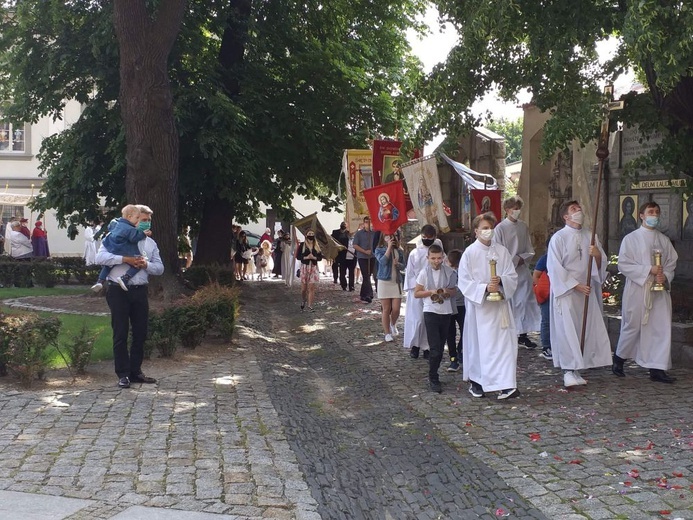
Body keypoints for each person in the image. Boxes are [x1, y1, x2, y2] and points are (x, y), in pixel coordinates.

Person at [95, 204, 164, 389]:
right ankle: (123, 374)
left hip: (140, 290)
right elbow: (99, 258)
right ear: (133, 219)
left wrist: (145, 265)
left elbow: (160, 268)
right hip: (118, 290)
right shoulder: (114, 236)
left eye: (149, 220)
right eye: (143, 220)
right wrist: (125, 260)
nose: (146, 223)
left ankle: (136, 372)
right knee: (120, 333)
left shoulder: (150, 243)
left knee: (140, 333)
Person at [548, 200, 612, 388]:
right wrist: (576, 285)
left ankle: (577, 368)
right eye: (574, 209)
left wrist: (598, 255)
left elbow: (600, 265)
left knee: (583, 329)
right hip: (567, 292)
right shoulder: (558, 238)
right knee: (567, 330)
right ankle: (568, 370)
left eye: (579, 208)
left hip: (587, 290)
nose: (579, 211)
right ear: (566, 217)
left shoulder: (590, 236)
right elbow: (555, 267)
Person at [613, 202, 678, 383]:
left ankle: (657, 368)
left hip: (659, 291)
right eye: (651, 212)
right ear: (641, 215)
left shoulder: (663, 240)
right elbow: (623, 264)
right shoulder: (631, 239)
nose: (654, 215)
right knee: (632, 326)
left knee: (660, 328)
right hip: (638, 289)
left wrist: (664, 276)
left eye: (657, 212)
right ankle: (619, 359)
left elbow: (672, 262)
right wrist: (649, 270)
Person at [458, 213, 520, 400]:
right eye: (484, 228)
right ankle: (477, 382)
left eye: (490, 228)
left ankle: (506, 384)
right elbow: (464, 281)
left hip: (500, 308)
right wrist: (485, 287)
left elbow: (512, 275)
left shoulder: (501, 251)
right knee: (480, 345)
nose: (488, 231)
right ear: (476, 231)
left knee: (504, 346)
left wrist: (501, 281)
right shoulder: (469, 253)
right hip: (481, 309)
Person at [493, 196, 541, 350]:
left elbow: (529, 247)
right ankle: (509, 334)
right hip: (507, 271)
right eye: (513, 208)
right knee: (511, 302)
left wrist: (523, 258)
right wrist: (512, 261)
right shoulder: (500, 228)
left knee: (524, 301)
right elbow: (498, 251)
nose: (516, 211)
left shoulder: (523, 226)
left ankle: (523, 334)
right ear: (507, 210)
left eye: (518, 208)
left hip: (522, 269)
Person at [414, 244, 457, 393]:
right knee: (435, 348)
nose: (436, 261)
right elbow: (416, 293)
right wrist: (430, 292)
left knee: (440, 345)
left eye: (439, 258)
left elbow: (454, 291)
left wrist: (446, 291)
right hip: (430, 311)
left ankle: (435, 371)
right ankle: (433, 377)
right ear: (428, 258)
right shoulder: (423, 273)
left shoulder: (450, 272)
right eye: (433, 258)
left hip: (445, 312)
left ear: (443, 257)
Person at [404, 224, 443, 359]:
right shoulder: (415, 253)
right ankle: (415, 346)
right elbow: (410, 273)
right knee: (418, 319)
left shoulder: (438, 249)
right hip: (418, 290)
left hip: (433, 290)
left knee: (430, 320)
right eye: (424, 237)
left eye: (430, 238)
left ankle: (427, 347)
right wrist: (417, 288)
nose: (427, 239)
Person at [91, 205, 150, 293]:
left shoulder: (115, 223)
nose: (138, 220)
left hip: (111, 247)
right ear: (129, 217)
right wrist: (143, 234)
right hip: (123, 249)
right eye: (137, 218)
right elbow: (134, 238)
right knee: (138, 263)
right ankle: (125, 278)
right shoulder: (130, 228)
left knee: (108, 265)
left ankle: (100, 281)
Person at [374, 232, 404, 343]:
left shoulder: (399, 250)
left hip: (396, 282)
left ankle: (393, 323)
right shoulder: (379, 249)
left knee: (396, 309)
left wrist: (398, 264)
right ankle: (387, 333)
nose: (391, 237)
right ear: (383, 237)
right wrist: (388, 248)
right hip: (384, 281)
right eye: (388, 235)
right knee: (386, 309)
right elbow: (382, 262)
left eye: (394, 235)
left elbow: (403, 265)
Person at [531, 238, 553, 360]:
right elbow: (536, 276)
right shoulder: (545, 259)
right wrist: (542, 289)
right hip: (547, 294)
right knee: (547, 320)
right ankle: (546, 346)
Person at [445, 249, 465, 372]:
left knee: (465, 330)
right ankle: (453, 358)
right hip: (449, 305)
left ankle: (460, 350)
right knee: (450, 332)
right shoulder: (445, 271)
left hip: (462, 304)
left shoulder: (464, 272)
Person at [296, 230, 322, 311]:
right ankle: (303, 299)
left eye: (312, 234)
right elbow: (298, 256)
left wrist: (314, 258)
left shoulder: (316, 246)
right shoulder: (302, 245)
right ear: (306, 235)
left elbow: (320, 257)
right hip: (305, 267)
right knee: (304, 289)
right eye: (309, 234)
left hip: (313, 267)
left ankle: (310, 305)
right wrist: (306, 257)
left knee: (311, 288)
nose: (311, 235)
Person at [352, 216, 376, 303]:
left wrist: (372, 251)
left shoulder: (374, 233)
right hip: (362, 257)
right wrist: (364, 251)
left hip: (372, 257)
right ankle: (369, 294)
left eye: (369, 221)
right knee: (365, 274)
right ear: (363, 223)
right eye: (366, 222)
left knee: (368, 275)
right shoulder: (359, 234)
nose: (368, 223)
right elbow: (355, 245)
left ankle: (363, 294)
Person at [331, 222, 349, 286]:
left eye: (345, 225)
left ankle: (342, 280)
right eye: (343, 224)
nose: (343, 226)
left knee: (343, 267)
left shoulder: (348, 233)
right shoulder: (335, 232)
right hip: (336, 252)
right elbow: (331, 240)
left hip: (344, 252)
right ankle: (335, 277)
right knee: (335, 265)